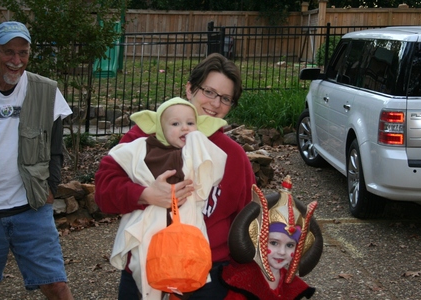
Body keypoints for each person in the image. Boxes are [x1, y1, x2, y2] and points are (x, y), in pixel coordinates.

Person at [95, 53, 256, 299]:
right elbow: (104, 192)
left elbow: (248, 220)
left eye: (226, 98)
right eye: (209, 92)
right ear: (190, 89)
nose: (215, 104)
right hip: (148, 266)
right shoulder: (144, 137)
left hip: (208, 275)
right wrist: (146, 195)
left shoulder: (232, 155)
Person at [107, 97, 228, 299]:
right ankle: (145, 291)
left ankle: (178, 292)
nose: (185, 129)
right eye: (175, 124)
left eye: (190, 123)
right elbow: (118, 159)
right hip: (151, 222)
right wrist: (144, 193)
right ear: (160, 128)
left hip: (187, 221)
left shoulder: (197, 150)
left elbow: (212, 169)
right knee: (145, 264)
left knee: (188, 263)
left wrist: (198, 140)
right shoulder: (145, 148)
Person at [0, 21, 73, 299]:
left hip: (31, 208)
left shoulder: (45, 91)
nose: (16, 61)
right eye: (8, 52)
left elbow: (56, 147)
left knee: (56, 286)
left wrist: (51, 188)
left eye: (23, 53)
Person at [220, 177, 317, 299]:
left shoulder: (292, 286)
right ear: (257, 239)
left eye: (290, 245)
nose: (282, 252)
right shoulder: (242, 285)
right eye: (274, 243)